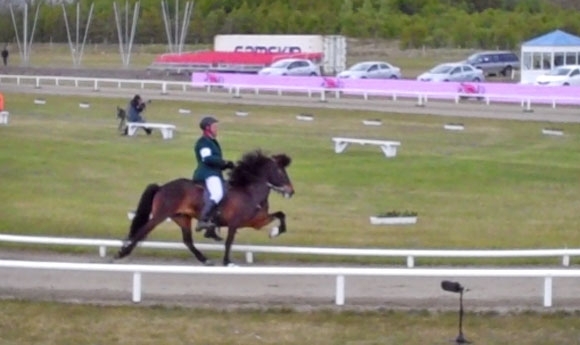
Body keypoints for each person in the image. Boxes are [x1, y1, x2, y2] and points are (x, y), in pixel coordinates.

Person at [192, 116, 235, 241]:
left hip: (215, 173)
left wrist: (227, 165)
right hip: (207, 173)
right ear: (207, 128)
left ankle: (213, 226)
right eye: (215, 127)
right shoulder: (203, 142)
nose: (217, 129)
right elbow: (207, 159)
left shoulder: (212, 141)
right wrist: (224, 163)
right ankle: (202, 220)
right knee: (217, 193)